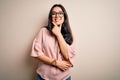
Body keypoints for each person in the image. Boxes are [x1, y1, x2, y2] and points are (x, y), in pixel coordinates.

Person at [31, 4, 76, 80]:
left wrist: (58, 34)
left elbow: (67, 56)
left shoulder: (70, 34)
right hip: (43, 77)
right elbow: (36, 53)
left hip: (64, 77)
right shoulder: (43, 31)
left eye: (60, 13)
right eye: (53, 13)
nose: (57, 15)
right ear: (50, 17)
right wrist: (56, 63)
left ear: (64, 16)